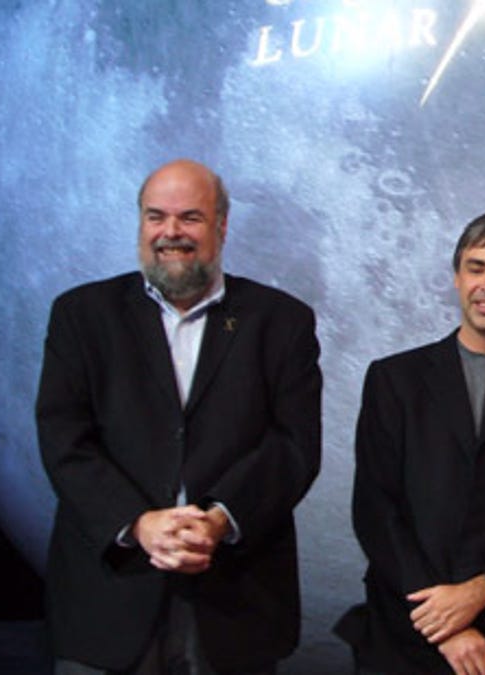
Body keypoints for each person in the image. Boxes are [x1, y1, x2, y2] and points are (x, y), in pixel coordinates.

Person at [35, 159, 322, 673]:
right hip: (109, 599)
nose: (170, 232)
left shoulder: (282, 321)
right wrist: (140, 524)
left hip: (236, 601)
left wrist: (217, 519)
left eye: (189, 217)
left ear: (221, 226)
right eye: (155, 217)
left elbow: (294, 446)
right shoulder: (81, 315)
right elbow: (64, 439)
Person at [335, 210, 485, 675]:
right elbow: (376, 509)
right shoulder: (394, 380)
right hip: (402, 635)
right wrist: (444, 622)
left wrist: (483, 591)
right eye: (476, 267)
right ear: (456, 276)